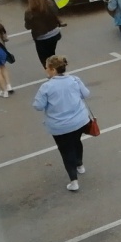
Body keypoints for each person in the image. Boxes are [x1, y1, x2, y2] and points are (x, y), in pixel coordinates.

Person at [31, 55, 91, 193]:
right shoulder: (74, 79)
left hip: (60, 126)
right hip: (80, 120)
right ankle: (80, 164)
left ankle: (73, 181)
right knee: (76, 141)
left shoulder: (46, 87)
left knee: (65, 150)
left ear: (52, 70)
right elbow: (86, 94)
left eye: (46, 67)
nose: (45, 70)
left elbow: (38, 106)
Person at [24, 0, 66, 67]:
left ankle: (52, 73)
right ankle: (56, 67)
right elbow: (56, 15)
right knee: (51, 53)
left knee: (44, 59)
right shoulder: (51, 5)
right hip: (55, 34)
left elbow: (28, 26)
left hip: (42, 38)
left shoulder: (29, 12)